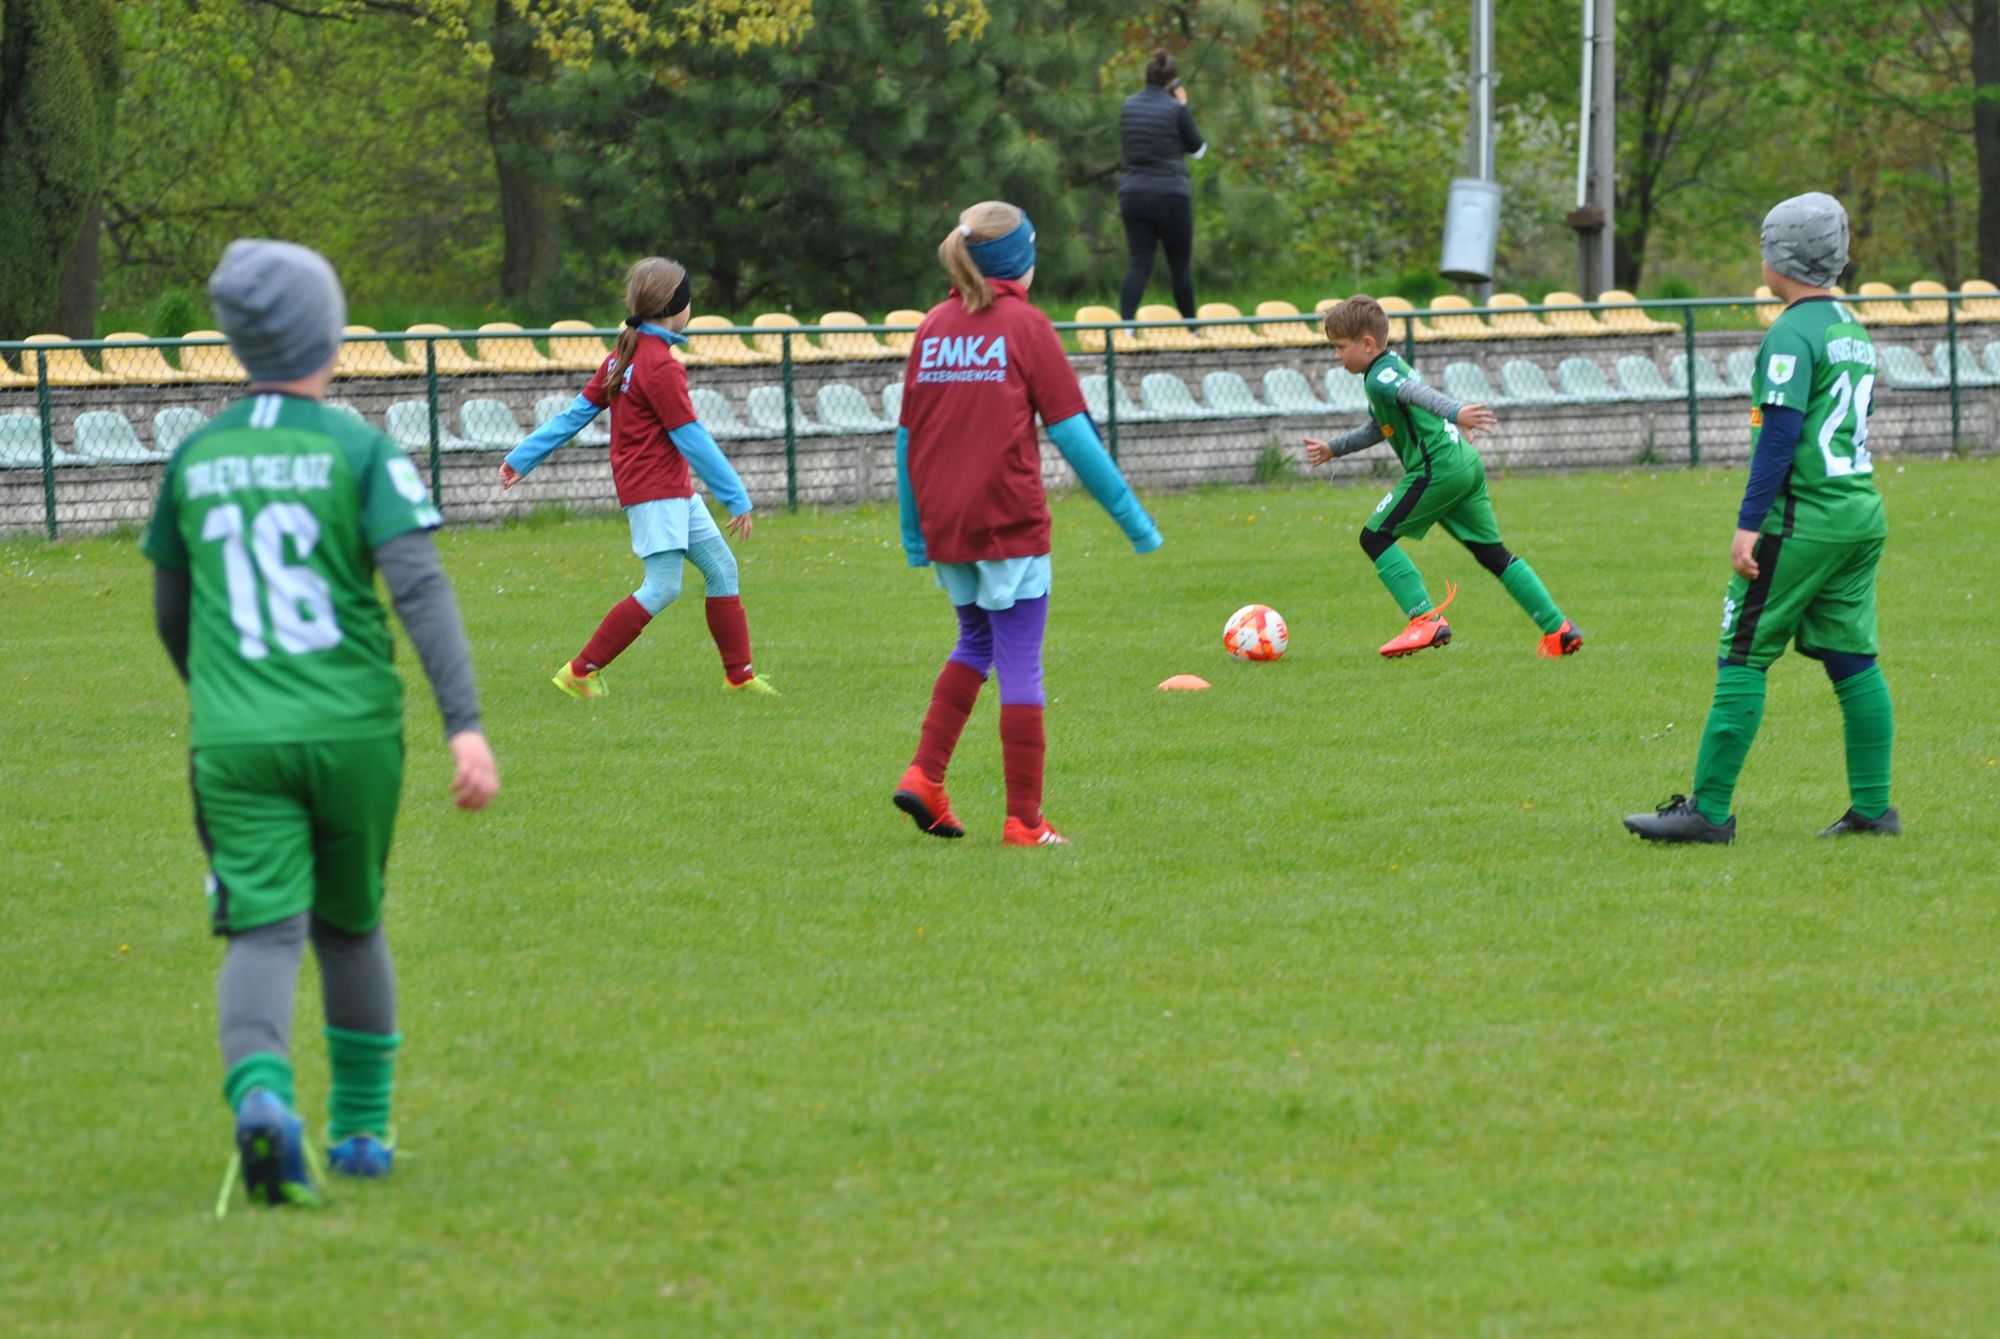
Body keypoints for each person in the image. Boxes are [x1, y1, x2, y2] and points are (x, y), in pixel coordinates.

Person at [143, 239, 499, 1210]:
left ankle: (261, 1098)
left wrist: (214, 692)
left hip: (234, 737)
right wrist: (463, 726)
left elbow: (173, 613)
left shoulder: (197, 454)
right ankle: (362, 1134)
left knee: (262, 931)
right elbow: (420, 593)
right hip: (352, 734)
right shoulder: (358, 448)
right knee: (349, 929)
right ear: (326, 331)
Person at [1625, 193, 1895, 844]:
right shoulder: (1849, 329)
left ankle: (1708, 812)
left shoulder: (1791, 332)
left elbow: (1780, 436)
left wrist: (1750, 523)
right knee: (1852, 658)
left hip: (1801, 520)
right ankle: (1873, 807)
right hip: (1858, 509)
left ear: (1781, 257)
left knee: (1742, 655)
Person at [894, 200, 1162, 846]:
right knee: (1020, 663)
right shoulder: (1026, 325)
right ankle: (1025, 821)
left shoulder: (933, 326)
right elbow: (1075, 437)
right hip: (1008, 520)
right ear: (1022, 262)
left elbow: (906, 439)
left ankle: (925, 776)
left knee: (974, 643)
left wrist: (913, 531)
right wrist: (1134, 520)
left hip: (947, 525)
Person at [499, 257, 777, 699]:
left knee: (723, 568)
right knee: (662, 587)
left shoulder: (623, 356)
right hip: (656, 492)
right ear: (677, 307)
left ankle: (739, 677)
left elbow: (574, 415)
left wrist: (521, 458)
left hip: (669, 491)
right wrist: (736, 495)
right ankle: (580, 671)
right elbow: (693, 439)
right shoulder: (658, 365)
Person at [1304, 296, 1581, 659]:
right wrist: (1333, 448)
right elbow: (1381, 427)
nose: (1337, 357)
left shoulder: (1382, 377)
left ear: (1367, 344)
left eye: (1340, 347)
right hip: (1465, 465)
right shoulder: (1389, 367)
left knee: (1374, 537)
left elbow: (1416, 394)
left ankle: (1424, 620)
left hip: (1439, 470)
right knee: (1493, 554)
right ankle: (1558, 629)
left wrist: (1455, 411)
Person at [1116, 49, 1206, 322]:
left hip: (1133, 192)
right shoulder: (1176, 109)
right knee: (1179, 265)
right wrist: (1182, 105)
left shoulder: (1128, 106)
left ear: (1146, 77)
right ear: (1173, 81)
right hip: (1171, 194)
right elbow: (1198, 150)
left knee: (1139, 262)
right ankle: (1192, 328)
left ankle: (1126, 327)